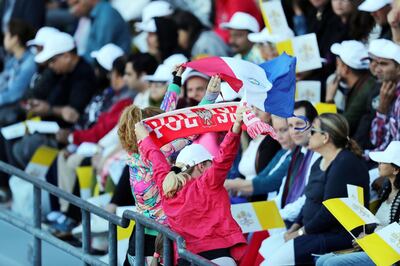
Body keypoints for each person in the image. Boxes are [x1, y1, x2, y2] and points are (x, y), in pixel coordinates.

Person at [134, 105, 249, 265]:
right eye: (210, 163)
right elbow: (224, 157)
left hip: (185, 260)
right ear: (201, 166)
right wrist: (236, 126)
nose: (212, 167)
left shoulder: (167, 185)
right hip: (217, 258)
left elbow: (156, 157)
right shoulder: (208, 183)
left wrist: (144, 138)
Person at [259, 113, 370, 265]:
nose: (308, 134)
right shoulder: (319, 162)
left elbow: (330, 212)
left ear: (325, 137)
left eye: (312, 131)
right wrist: (295, 228)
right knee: (267, 246)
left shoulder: (345, 163)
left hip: (335, 235)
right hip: (313, 232)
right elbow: (308, 200)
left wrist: (300, 233)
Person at [316, 141, 400, 266]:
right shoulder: (385, 190)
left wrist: (370, 240)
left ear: (396, 169)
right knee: (321, 260)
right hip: (374, 246)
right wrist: (366, 238)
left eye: (383, 162)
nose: (379, 165)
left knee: (330, 263)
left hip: (388, 253)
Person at [224, 115, 295, 198]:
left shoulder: (294, 154)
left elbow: (271, 182)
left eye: (283, 130)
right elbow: (262, 176)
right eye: (275, 131)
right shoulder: (282, 152)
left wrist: (234, 184)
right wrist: (238, 188)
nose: (278, 136)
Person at [276, 101, 320, 225]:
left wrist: (279, 215)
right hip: (287, 218)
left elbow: (308, 198)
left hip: (303, 223)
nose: (294, 130)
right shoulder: (297, 152)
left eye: (299, 124)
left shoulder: (319, 154)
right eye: (290, 125)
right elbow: (283, 192)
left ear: (314, 124)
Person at [326, 40, 376, 136]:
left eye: (338, 65)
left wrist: (329, 99)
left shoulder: (366, 89)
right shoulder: (365, 83)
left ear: (345, 69)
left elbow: (337, 129)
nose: (336, 70)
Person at [0, 19, 36, 108]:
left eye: (6, 35)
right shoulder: (13, 59)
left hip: (11, 110)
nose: (4, 39)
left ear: (15, 39)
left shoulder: (29, 64)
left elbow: (14, 94)